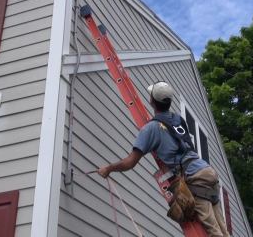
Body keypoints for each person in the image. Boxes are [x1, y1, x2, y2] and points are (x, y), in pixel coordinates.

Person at [98, 81, 229, 237]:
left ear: (152, 101)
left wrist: (108, 169)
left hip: (195, 178)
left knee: (214, 232)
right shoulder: (178, 120)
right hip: (207, 171)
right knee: (223, 231)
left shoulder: (151, 128)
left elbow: (130, 162)